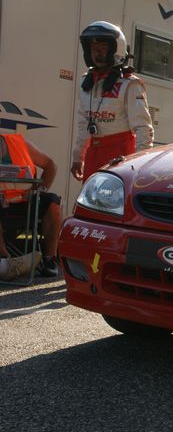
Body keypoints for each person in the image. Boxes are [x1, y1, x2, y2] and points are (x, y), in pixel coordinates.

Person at [71, 21, 154, 182]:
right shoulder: (86, 82)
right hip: (93, 154)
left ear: (116, 50)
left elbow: (143, 128)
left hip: (121, 156)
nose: (98, 54)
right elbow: (83, 124)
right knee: (89, 203)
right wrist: (78, 157)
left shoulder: (130, 84)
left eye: (103, 49)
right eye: (94, 50)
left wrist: (140, 164)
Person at [0, 133, 63, 280]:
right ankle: (5, 261)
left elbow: (51, 165)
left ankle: (49, 259)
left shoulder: (17, 142)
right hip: (2, 205)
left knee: (52, 203)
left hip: (25, 202)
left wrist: (40, 190)